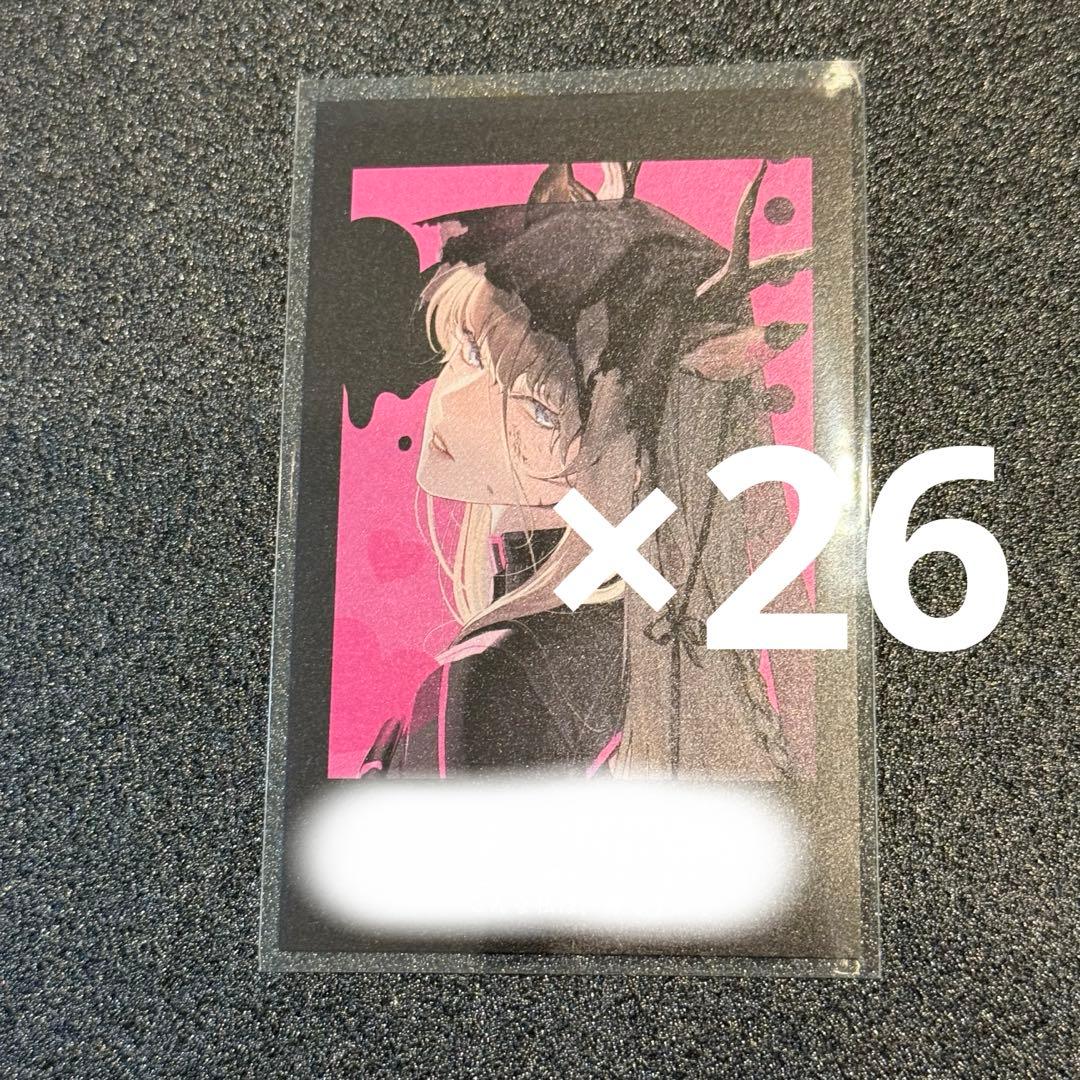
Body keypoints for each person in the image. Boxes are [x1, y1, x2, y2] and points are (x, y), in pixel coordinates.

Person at [362, 161, 812, 781]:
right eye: (464, 353)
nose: (452, 398)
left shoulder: (498, 675)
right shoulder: (646, 648)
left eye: (538, 406)